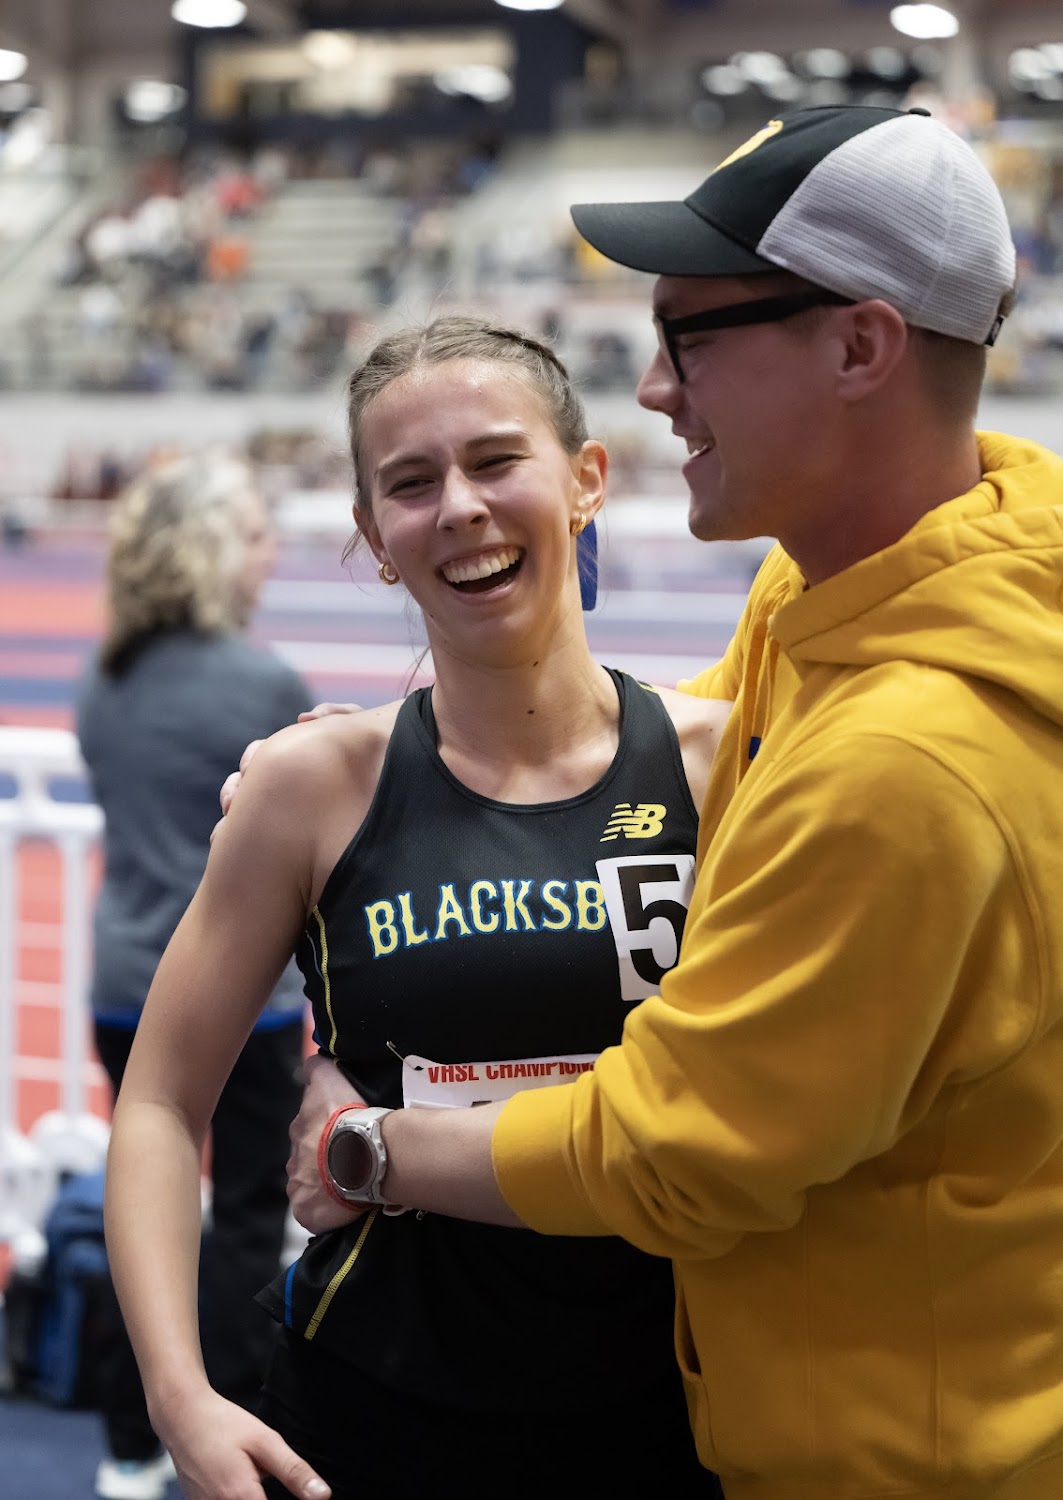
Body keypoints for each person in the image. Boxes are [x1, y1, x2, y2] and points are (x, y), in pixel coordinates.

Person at [271, 105, 1063, 1498]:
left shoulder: (906, 763)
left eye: (689, 337)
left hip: (887, 1461)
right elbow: (689, 739)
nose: (650, 389)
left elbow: (668, 1154)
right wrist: (411, 755)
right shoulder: (877, 582)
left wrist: (368, 1146)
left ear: (859, 347)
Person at [102, 318, 731, 1500]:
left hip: (681, 1409)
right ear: (372, 538)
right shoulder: (310, 785)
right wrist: (179, 1398)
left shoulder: (725, 764)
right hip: (369, 1412)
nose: (460, 508)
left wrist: (372, 1149)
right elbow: (158, 1101)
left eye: (496, 461)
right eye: (410, 483)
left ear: (586, 480)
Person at [77, 452, 313, 1500]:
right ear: (212, 551)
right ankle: (234, 1433)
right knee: (249, 1216)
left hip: (122, 980)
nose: (269, 556)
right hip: (238, 996)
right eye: (256, 536)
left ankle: (129, 1441)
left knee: (143, 1211)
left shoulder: (103, 679)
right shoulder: (260, 685)